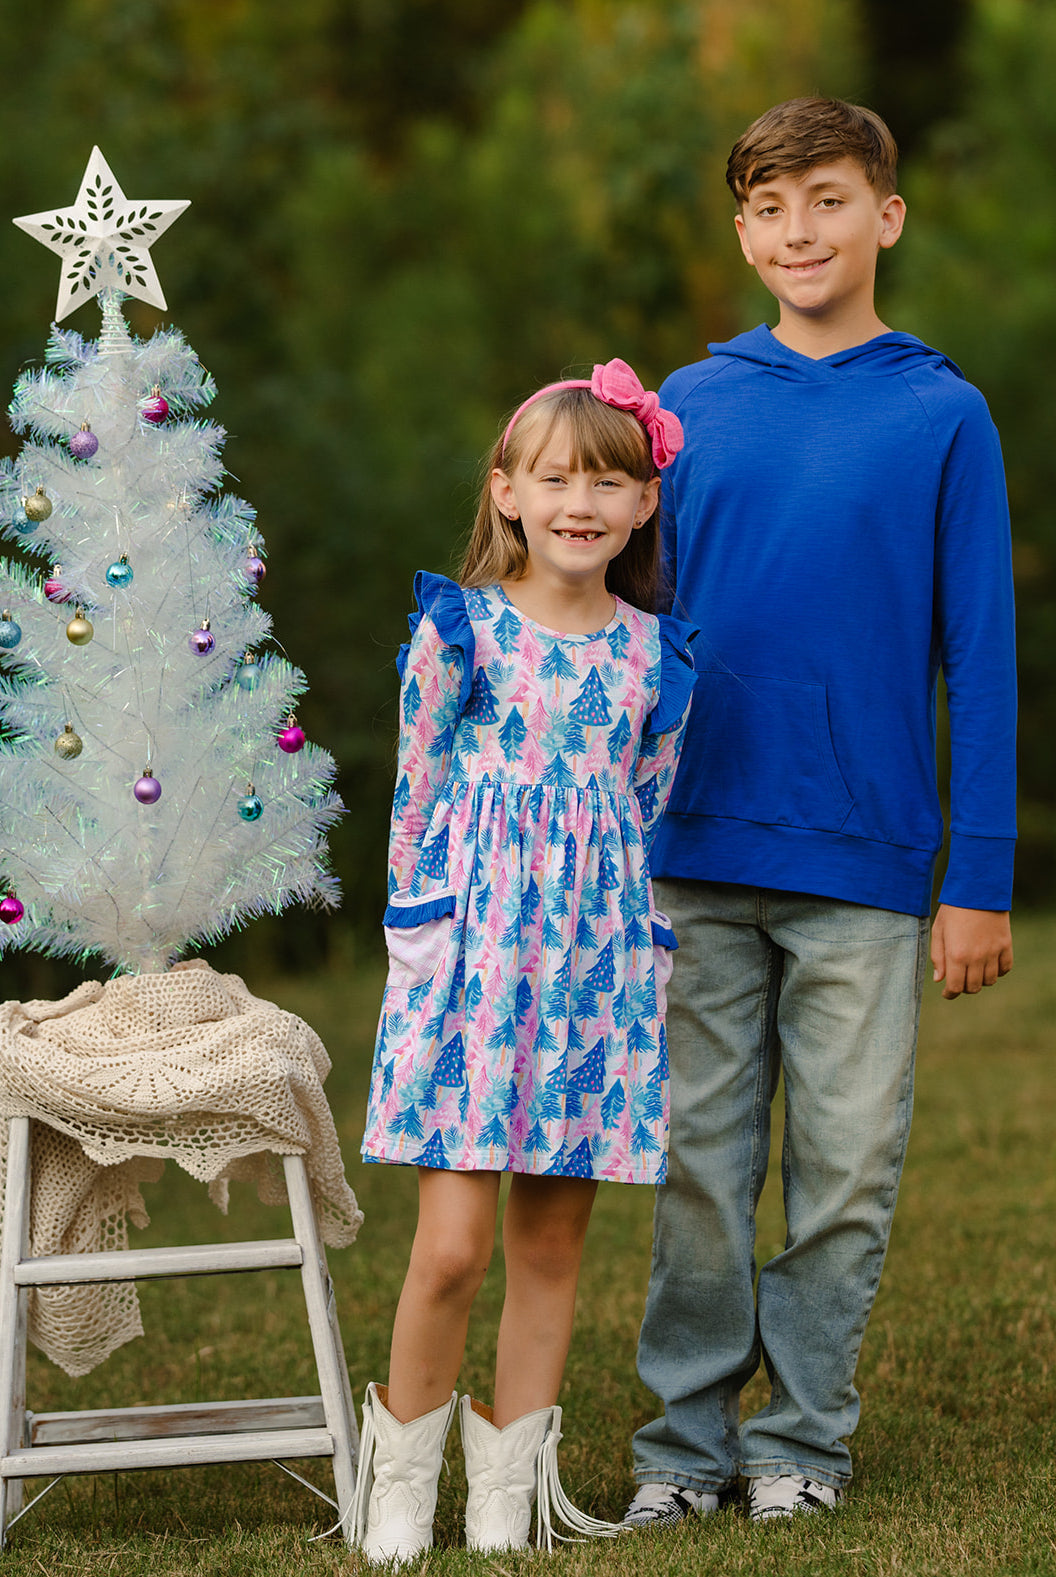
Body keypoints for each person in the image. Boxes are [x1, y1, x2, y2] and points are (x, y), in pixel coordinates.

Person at [623, 97, 1016, 1529]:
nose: (801, 231)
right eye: (771, 208)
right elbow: (634, 623)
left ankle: (800, 1442)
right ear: (744, 233)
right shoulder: (690, 405)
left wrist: (979, 876)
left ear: (886, 217)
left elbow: (981, 655)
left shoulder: (942, 413)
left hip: (865, 858)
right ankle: (682, 1450)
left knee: (845, 1174)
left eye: (830, 200)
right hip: (693, 848)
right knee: (698, 1172)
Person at [354, 359, 696, 1562]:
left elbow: (645, 807)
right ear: (507, 491)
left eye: (607, 482)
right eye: (554, 478)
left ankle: (506, 1496)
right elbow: (417, 788)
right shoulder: (463, 629)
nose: (579, 502)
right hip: (473, 956)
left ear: (643, 505)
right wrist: (417, 928)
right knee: (453, 1245)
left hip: (592, 967)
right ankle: (400, 1482)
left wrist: (644, 948)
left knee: (550, 1244)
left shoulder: (657, 657)